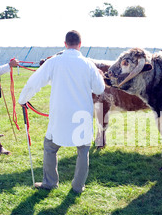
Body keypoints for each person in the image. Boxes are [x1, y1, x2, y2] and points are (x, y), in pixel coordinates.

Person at [18, 30, 105, 193]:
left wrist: (23, 99)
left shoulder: (54, 62)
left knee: (50, 147)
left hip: (60, 114)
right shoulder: (88, 64)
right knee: (83, 150)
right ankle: (78, 186)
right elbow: (99, 88)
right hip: (82, 114)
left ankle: (50, 182)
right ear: (80, 44)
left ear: (65, 44)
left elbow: (34, 82)